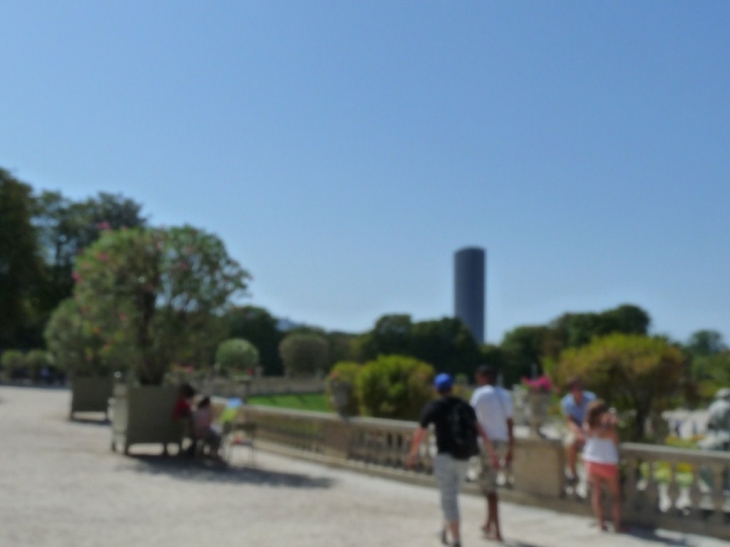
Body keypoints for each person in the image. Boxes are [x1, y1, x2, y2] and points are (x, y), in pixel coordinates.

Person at [407, 373, 499, 547]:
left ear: (436, 389)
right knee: (452, 496)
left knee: (448, 498)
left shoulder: (433, 407)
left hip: (444, 457)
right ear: (452, 388)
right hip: (464, 458)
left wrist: (413, 454)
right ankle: (444, 529)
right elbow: (481, 431)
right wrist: (492, 454)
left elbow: (419, 434)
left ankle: (456, 540)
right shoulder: (464, 406)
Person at [470, 365, 513, 542]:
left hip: (487, 443)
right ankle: (488, 522)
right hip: (502, 442)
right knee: (490, 483)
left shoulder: (480, 394)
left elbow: (472, 419)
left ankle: (497, 531)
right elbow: (510, 422)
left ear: (482, 377)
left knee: (489, 489)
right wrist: (511, 448)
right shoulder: (505, 394)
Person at [583, 399, 622, 533]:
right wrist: (612, 423)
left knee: (597, 493)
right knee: (615, 496)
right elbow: (616, 441)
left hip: (592, 461)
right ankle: (617, 525)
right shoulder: (608, 429)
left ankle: (601, 523)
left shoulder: (588, 426)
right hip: (607, 462)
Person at [561, 377, 596, 482]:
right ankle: (573, 473)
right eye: (576, 388)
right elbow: (570, 421)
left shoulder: (591, 398)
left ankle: (593, 476)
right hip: (577, 428)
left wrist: (586, 430)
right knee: (570, 443)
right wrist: (578, 432)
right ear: (571, 391)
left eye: (581, 388)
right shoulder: (566, 402)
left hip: (591, 425)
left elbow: (593, 417)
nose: (579, 391)